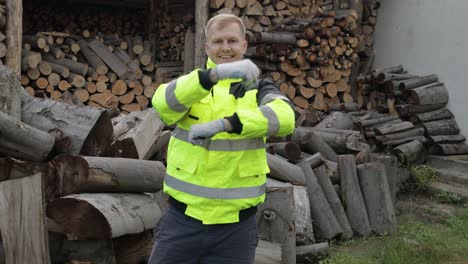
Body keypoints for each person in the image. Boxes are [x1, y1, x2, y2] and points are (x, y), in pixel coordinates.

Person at [149, 13, 295, 264]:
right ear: (206, 47)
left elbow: (285, 118)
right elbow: (163, 104)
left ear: (244, 45)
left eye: (232, 41)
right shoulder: (191, 86)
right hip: (182, 222)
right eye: (217, 42)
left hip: (235, 228)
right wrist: (211, 77)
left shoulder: (259, 88)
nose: (225, 48)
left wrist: (230, 124)